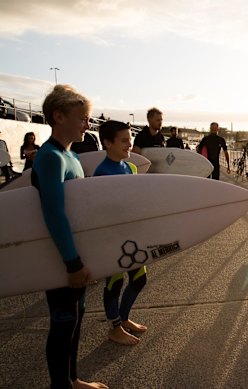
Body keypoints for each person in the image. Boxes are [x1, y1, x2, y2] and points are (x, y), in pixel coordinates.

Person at [31, 84, 108, 388]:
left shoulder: (71, 157)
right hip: (61, 257)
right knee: (62, 324)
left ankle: (72, 379)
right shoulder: (51, 157)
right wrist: (72, 263)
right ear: (58, 116)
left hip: (76, 253)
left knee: (76, 318)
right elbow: (54, 214)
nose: (87, 125)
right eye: (82, 118)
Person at [94, 120, 148, 345]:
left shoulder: (130, 168)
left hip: (131, 236)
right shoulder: (102, 174)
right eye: (124, 140)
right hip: (112, 239)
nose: (130, 144)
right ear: (107, 143)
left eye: (130, 139)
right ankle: (114, 328)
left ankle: (123, 318)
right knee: (114, 283)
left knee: (139, 279)